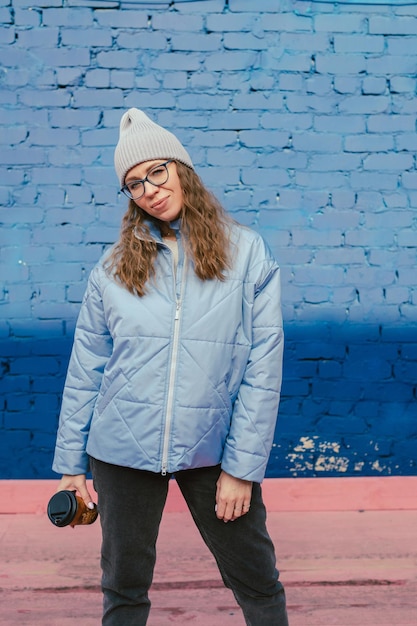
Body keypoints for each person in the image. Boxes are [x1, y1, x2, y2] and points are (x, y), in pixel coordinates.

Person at [53, 108, 288, 626]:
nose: (149, 189)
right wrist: (72, 466)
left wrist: (242, 469)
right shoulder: (112, 268)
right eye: (134, 184)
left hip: (213, 447)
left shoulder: (247, 254)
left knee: (257, 580)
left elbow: (263, 368)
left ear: (182, 169)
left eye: (157, 171)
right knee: (124, 589)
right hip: (121, 449)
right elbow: (86, 369)